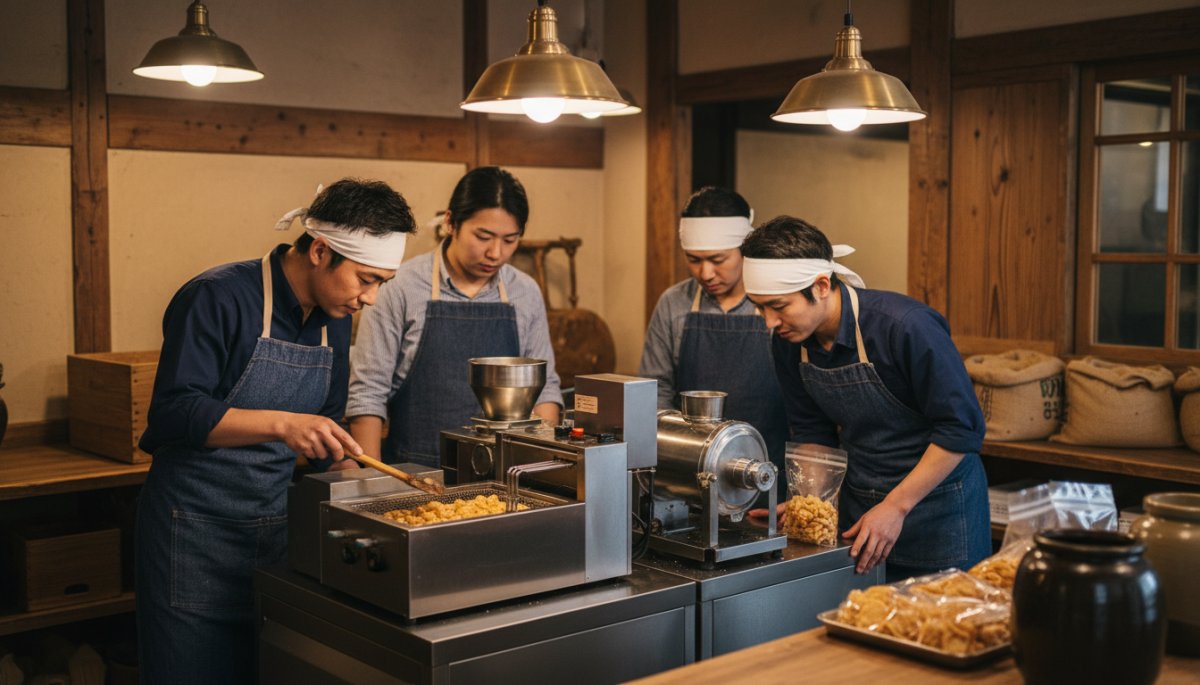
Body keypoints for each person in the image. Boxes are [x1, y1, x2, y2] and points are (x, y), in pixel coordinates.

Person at [134, 178, 417, 685]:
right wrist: (284, 425)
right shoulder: (218, 297)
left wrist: (378, 501)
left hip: (275, 536)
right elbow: (173, 414)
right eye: (366, 279)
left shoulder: (334, 317)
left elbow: (328, 433)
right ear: (320, 251)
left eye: (382, 284)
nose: (371, 299)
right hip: (194, 533)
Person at [741, 216, 989, 582]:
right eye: (760, 307)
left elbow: (961, 428)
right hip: (861, 516)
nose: (769, 322)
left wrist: (896, 507)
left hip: (938, 513)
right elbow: (814, 431)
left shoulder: (906, 327)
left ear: (822, 285)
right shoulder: (790, 343)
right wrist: (812, 504)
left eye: (779, 306)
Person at [348, 166, 562, 466]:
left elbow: (545, 389)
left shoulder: (524, 292)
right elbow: (367, 394)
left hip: (504, 476)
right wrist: (368, 483)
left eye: (510, 240)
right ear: (451, 222)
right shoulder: (401, 286)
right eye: (483, 236)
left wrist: (537, 466)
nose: (495, 253)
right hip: (414, 474)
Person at [638, 186, 788, 494]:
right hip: (689, 476)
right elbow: (656, 391)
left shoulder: (777, 303)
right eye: (693, 260)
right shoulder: (674, 303)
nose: (705, 273)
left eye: (718, 259)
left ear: (745, 248)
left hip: (769, 471)